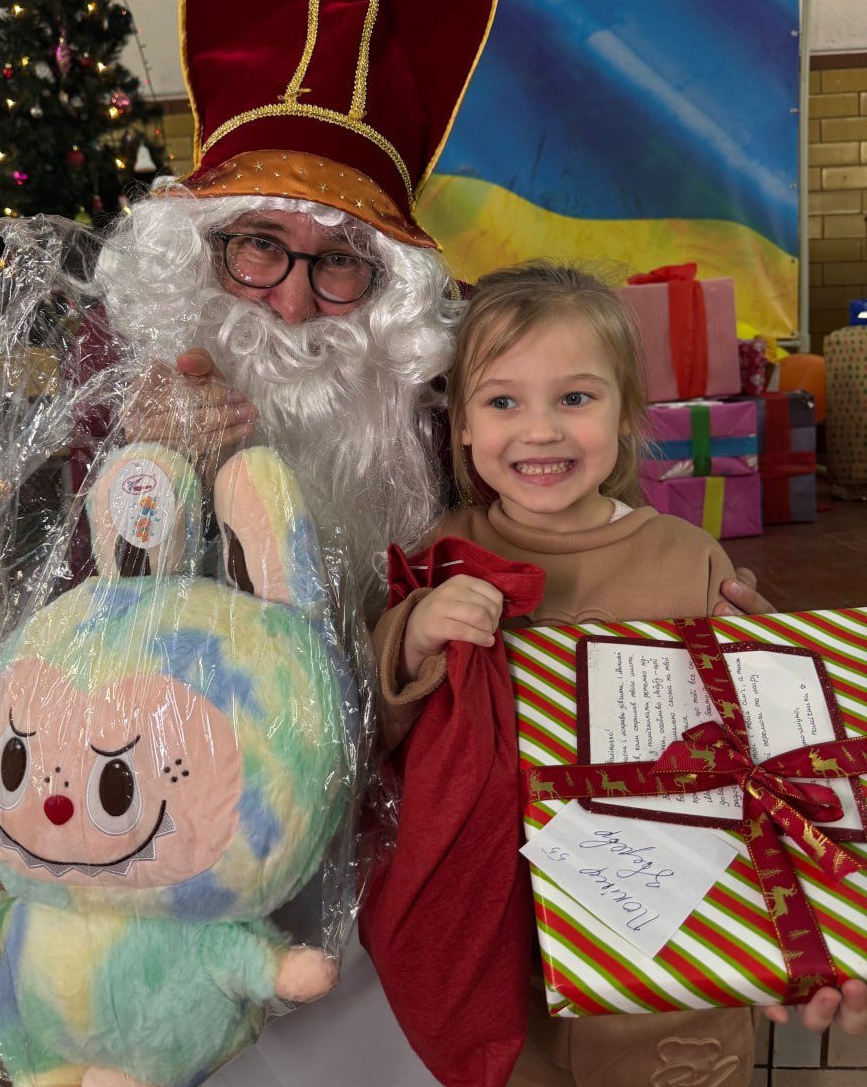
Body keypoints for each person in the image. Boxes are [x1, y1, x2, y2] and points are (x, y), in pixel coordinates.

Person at [372, 260, 867, 1085]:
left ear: (626, 413)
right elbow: (380, 739)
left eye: (575, 397)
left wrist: (827, 929)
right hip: (507, 949)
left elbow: (784, 761)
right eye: (502, 402)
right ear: (459, 424)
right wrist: (414, 637)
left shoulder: (686, 559)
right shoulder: (440, 557)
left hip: (677, 957)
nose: (540, 431)